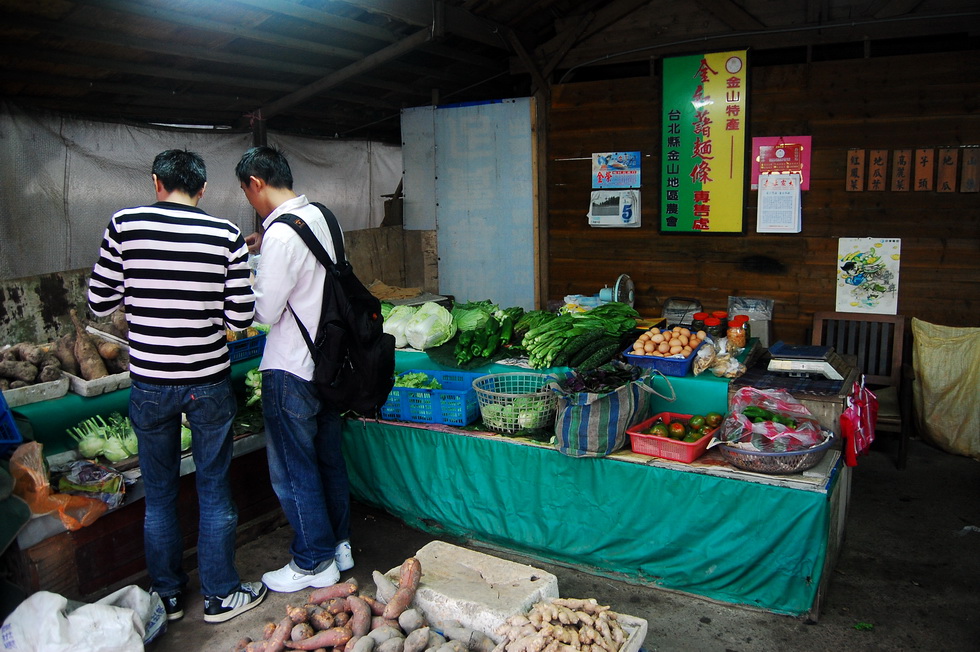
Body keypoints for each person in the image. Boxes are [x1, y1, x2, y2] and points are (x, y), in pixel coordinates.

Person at [88, 149, 267, 623]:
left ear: (156, 182)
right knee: (213, 489)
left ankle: (167, 596)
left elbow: (98, 301)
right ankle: (220, 596)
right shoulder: (225, 234)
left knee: (160, 493)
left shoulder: (123, 224)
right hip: (207, 380)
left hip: (149, 381)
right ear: (203, 189)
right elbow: (240, 318)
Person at [234, 146, 354, 593]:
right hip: (328, 363)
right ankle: (338, 546)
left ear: (257, 183)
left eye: (247, 192)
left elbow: (263, 311)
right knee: (327, 460)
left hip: (291, 368)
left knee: (293, 468)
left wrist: (247, 273)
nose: (250, 201)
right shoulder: (323, 216)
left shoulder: (281, 236)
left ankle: (312, 561)